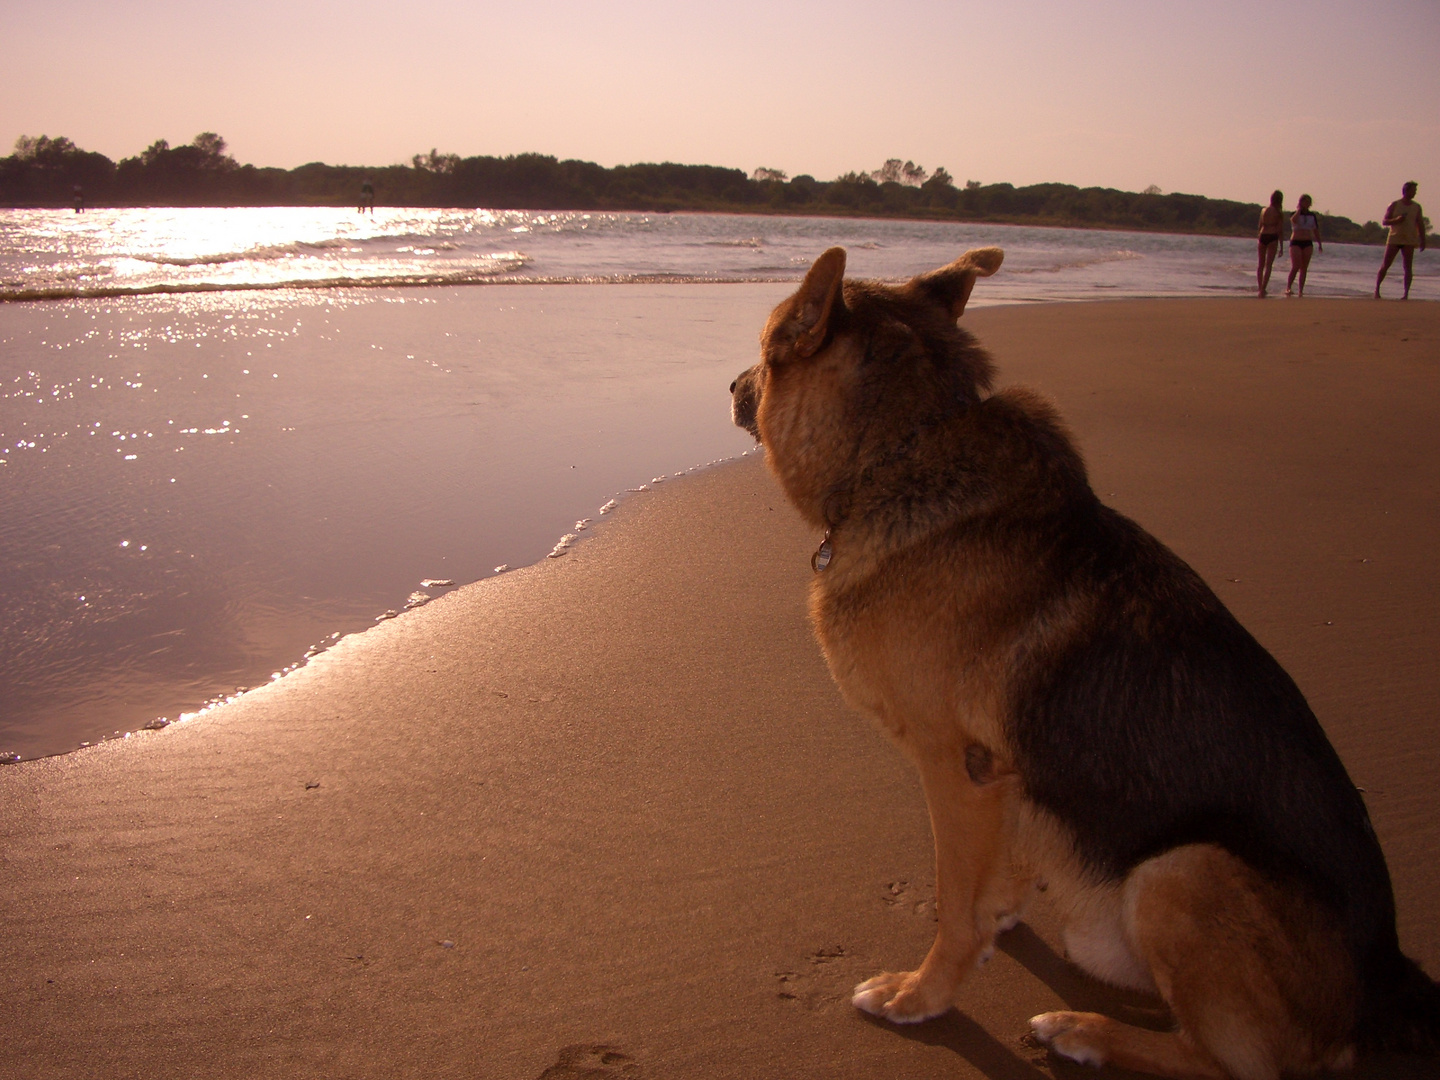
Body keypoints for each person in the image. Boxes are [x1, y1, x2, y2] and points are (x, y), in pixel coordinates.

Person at [1374, 182, 1426, 300]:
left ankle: (1406, 294)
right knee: (1386, 265)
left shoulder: (1416, 207)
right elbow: (1385, 221)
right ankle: (1377, 290)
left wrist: (1423, 240)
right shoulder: (1394, 204)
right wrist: (1396, 220)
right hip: (1394, 238)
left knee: (1407, 267)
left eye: (1415, 191)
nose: (1415, 193)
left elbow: (1420, 224)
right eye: (1413, 190)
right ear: (1406, 191)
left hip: (1409, 239)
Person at [1285, 194, 1322, 297]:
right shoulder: (1294, 214)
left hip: (1307, 242)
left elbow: (1315, 230)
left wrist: (1319, 243)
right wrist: (1299, 210)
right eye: (1304, 201)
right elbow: (1294, 220)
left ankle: (1301, 290)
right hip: (1296, 241)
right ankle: (1288, 287)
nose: (1306, 203)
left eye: (1308, 202)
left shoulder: (1312, 216)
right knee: (1295, 266)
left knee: (1304, 268)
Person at [1256, 190, 1284, 297]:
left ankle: (1259, 287)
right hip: (1272, 236)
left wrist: (1259, 236)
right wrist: (1281, 246)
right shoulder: (1278, 212)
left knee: (1260, 264)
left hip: (1263, 235)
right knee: (1269, 265)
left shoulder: (1264, 210)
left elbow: (1260, 226)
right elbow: (1280, 230)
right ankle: (1263, 288)